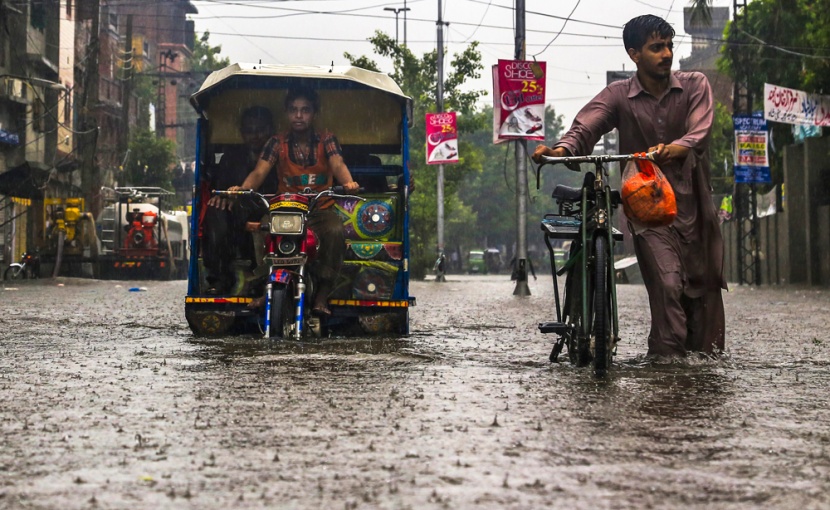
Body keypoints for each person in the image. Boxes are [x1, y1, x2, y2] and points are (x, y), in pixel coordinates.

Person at [532, 14, 725, 358]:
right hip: (648, 213)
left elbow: (700, 131)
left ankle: (702, 373)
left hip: (695, 209)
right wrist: (561, 150)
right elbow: (586, 127)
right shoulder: (619, 95)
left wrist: (674, 148)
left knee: (703, 294)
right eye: (656, 48)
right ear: (634, 54)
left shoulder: (695, 85)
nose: (666, 54)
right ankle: (666, 365)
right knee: (667, 284)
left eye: (668, 46)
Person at [230, 88, 359, 316]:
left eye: (305, 111)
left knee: (335, 230)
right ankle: (266, 286)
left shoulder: (326, 139)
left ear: (314, 114)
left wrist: (348, 183)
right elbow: (260, 172)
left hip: (320, 210)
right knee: (263, 226)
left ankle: (322, 294)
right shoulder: (276, 142)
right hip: (285, 210)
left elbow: (338, 165)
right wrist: (242, 190)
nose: (299, 116)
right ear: (287, 113)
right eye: (294, 110)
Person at [201, 106, 278, 295]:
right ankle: (219, 278)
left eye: (260, 130)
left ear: (269, 130)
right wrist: (225, 197)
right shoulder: (232, 157)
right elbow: (221, 187)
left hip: (270, 205)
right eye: (249, 131)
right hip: (238, 208)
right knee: (216, 212)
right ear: (242, 133)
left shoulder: (278, 152)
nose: (255, 136)